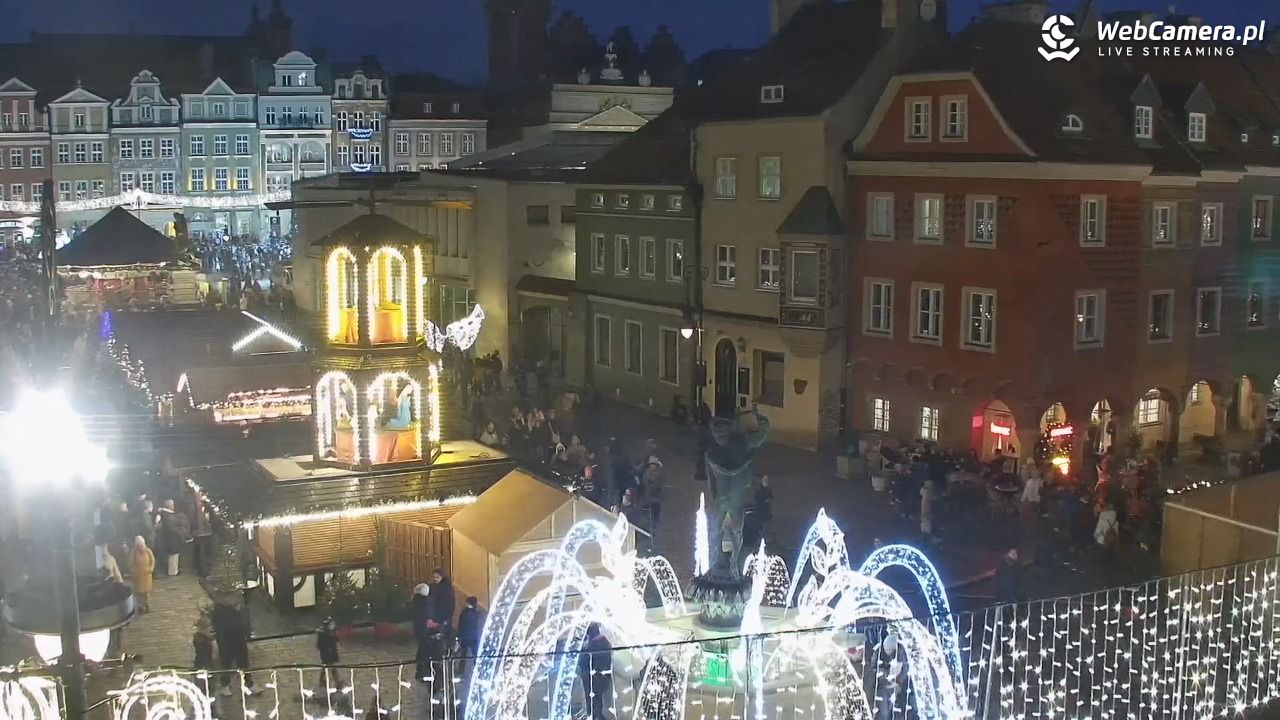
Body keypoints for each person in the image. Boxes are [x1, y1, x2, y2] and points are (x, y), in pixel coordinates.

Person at [212, 593, 254, 697]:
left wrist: (247, 637)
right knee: (226, 663)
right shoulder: (219, 610)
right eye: (230, 597)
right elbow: (220, 628)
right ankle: (225, 686)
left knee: (244, 663)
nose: (233, 599)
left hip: (239, 640)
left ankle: (249, 684)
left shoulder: (240, 608)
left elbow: (245, 623)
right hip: (226, 642)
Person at [576, 622, 612, 720]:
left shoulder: (596, 642)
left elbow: (585, 660)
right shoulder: (600, 641)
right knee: (595, 701)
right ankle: (595, 716)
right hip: (596, 677)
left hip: (594, 677)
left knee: (594, 701)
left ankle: (595, 716)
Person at [872, 633, 908, 720]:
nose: (887, 651)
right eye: (886, 649)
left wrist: (898, 682)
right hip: (883, 687)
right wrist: (885, 677)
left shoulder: (901, 651)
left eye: (890, 650)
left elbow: (905, 668)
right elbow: (873, 668)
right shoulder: (878, 651)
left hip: (899, 686)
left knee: (899, 710)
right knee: (884, 711)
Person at [159, 499, 191, 576]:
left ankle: (174, 571)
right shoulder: (167, 515)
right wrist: (179, 531)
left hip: (172, 539)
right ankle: (173, 572)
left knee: (174, 556)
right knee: (173, 556)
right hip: (171, 539)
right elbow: (169, 527)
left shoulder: (167, 515)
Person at [456, 596, 484, 672]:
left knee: (463, 654)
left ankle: (460, 670)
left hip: (465, 636)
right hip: (474, 636)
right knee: (475, 654)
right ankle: (478, 669)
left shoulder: (464, 613)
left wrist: (458, 635)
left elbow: (461, 625)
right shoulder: (477, 613)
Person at [412, 583, 433, 680]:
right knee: (425, 648)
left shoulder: (415, 600)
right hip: (424, 628)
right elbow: (428, 613)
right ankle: (423, 670)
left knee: (422, 647)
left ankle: (421, 670)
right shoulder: (426, 602)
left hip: (418, 627)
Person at [131, 536, 155, 612]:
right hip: (138, 575)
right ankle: (140, 606)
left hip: (146, 575)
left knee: (146, 592)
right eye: (139, 545)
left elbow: (152, 561)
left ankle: (146, 604)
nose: (141, 547)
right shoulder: (134, 552)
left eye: (142, 545)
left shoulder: (148, 551)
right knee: (138, 593)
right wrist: (134, 571)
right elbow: (131, 562)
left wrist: (151, 569)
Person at [317, 617, 341, 694]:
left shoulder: (330, 632)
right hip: (328, 654)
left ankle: (323, 680)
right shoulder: (324, 634)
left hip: (330, 654)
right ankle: (336, 682)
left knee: (328, 667)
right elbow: (319, 645)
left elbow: (337, 639)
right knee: (330, 667)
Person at [430, 568, 455, 641]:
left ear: (442, 577)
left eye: (437, 577)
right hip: (435, 614)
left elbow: (450, 603)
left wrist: (447, 617)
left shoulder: (447, 588)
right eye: (434, 577)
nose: (435, 579)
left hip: (444, 615)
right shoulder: (433, 586)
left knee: (445, 634)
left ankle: (448, 649)